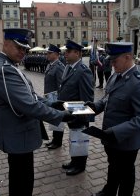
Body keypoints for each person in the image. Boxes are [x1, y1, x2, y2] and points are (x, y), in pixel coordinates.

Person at [0, 28, 74, 196]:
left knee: (21, 179)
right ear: (6, 44)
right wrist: (60, 115)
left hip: (19, 136)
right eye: (18, 47)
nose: (23, 52)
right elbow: (29, 105)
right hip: (18, 136)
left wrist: (53, 104)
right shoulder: (5, 69)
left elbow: (32, 96)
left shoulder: (9, 65)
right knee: (23, 183)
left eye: (24, 49)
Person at [85, 42, 140, 196]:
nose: (111, 64)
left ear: (127, 57)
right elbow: (107, 99)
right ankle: (109, 190)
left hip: (126, 140)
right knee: (113, 166)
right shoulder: (116, 76)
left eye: (114, 61)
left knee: (126, 174)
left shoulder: (139, 83)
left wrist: (115, 132)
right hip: (110, 137)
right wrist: (94, 107)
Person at [57, 39, 94, 176]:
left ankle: (80, 165)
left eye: (68, 51)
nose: (65, 54)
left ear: (77, 53)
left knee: (80, 139)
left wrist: (83, 117)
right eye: (65, 51)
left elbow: (87, 98)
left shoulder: (83, 71)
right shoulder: (70, 67)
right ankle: (74, 161)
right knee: (74, 138)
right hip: (71, 112)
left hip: (79, 114)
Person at [43, 44, 66, 149]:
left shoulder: (59, 67)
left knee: (58, 120)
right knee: (53, 119)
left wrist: (59, 101)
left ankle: (58, 142)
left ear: (56, 54)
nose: (47, 54)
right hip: (50, 98)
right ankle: (54, 139)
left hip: (56, 98)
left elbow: (61, 85)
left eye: (49, 53)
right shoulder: (50, 65)